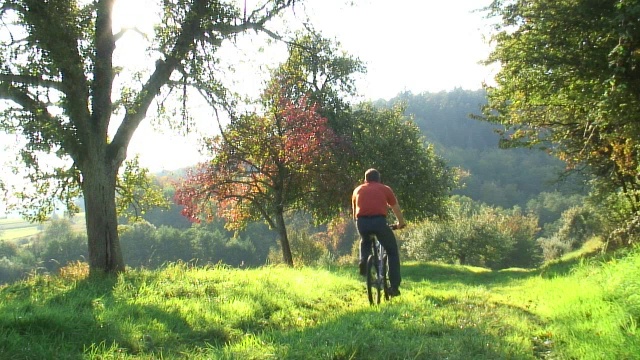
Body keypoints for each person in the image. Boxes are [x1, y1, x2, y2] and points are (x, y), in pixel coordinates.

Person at [352, 168, 406, 297]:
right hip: (379, 222)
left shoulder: (357, 190)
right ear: (379, 179)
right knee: (392, 251)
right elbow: (396, 208)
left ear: (365, 179)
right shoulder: (385, 189)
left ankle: (364, 261)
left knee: (365, 241)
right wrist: (401, 223)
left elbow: (354, 214)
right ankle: (394, 287)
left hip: (362, 222)